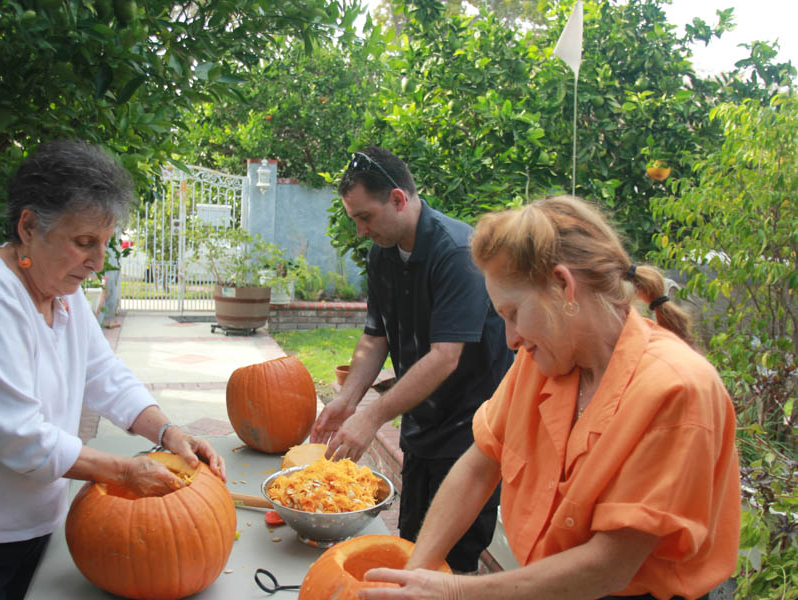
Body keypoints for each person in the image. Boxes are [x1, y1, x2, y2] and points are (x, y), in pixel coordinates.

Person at [358, 195, 741, 600]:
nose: (510, 339)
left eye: (513, 313)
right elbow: (478, 467)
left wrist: (455, 591)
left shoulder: (677, 389)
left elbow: (609, 566)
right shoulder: (542, 361)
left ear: (562, 285)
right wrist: (414, 574)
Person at [0, 140, 226, 599]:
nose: (97, 263)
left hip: (32, 529)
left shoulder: (60, 294)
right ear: (29, 226)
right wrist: (124, 472)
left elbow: (104, 375)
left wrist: (168, 432)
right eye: (83, 242)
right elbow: (21, 438)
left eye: (105, 244)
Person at [310, 147, 515, 573]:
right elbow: (375, 336)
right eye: (355, 220)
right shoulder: (381, 254)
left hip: (470, 432)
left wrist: (373, 416)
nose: (362, 230)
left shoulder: (457, 253)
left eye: (365, 217)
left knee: (451, 561)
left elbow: (444, 358)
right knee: (410, 545)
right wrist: (348, 400)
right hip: (421, 424)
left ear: (399, 200)